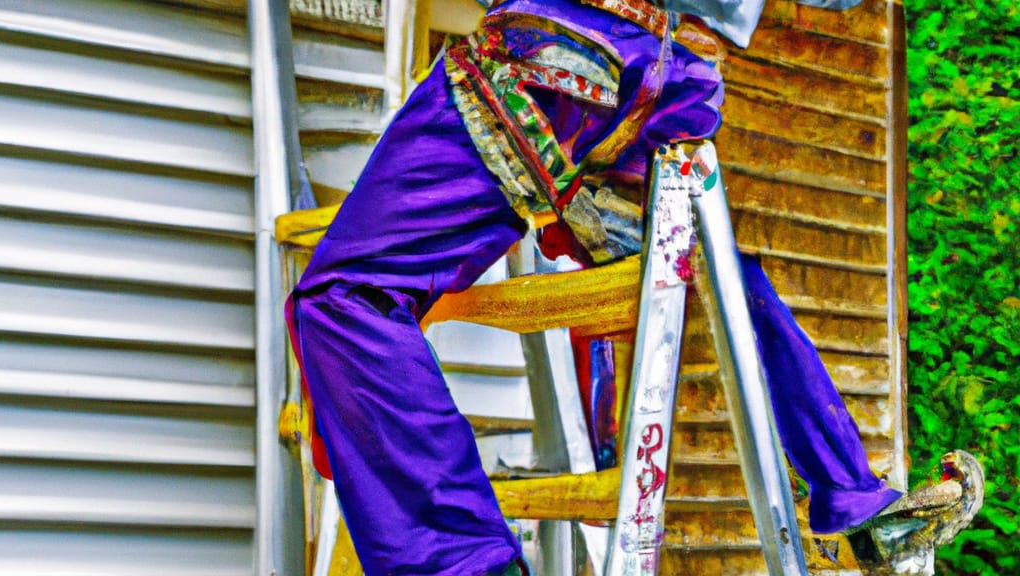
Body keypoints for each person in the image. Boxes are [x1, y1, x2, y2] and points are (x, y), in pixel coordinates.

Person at [284, 1, 976, 574]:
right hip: (674, 83)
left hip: (558, 57)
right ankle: (854, 497)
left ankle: (456, 560)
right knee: (717, 278)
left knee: (347, 296)